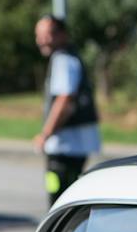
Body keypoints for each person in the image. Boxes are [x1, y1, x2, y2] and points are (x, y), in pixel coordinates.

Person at [32, 15, 100, 205]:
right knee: (67, 198)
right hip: (73, 145)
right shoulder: (68, 57)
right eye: (39, 35)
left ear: (63, 35)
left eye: (49, 34)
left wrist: (45, 134)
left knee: (59, 201)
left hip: (66, 146)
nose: (42, 40)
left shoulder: (63, 59)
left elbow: (64, 99)